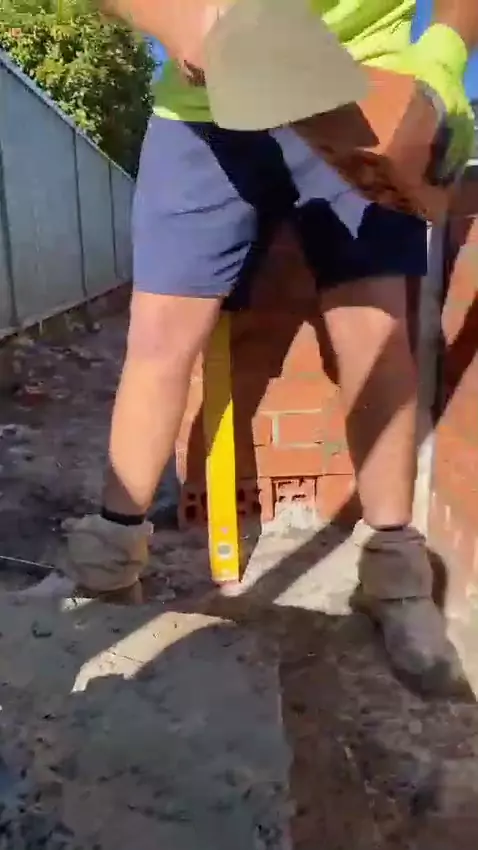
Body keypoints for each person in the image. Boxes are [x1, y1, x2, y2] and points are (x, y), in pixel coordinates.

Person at [62, 0, 476, 688]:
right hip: (205, 110)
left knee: (374, 334)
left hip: (363, 93)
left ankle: (395, 577)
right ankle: (107, 568)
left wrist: (444, 56)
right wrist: (176, 22)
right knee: (160, 336)